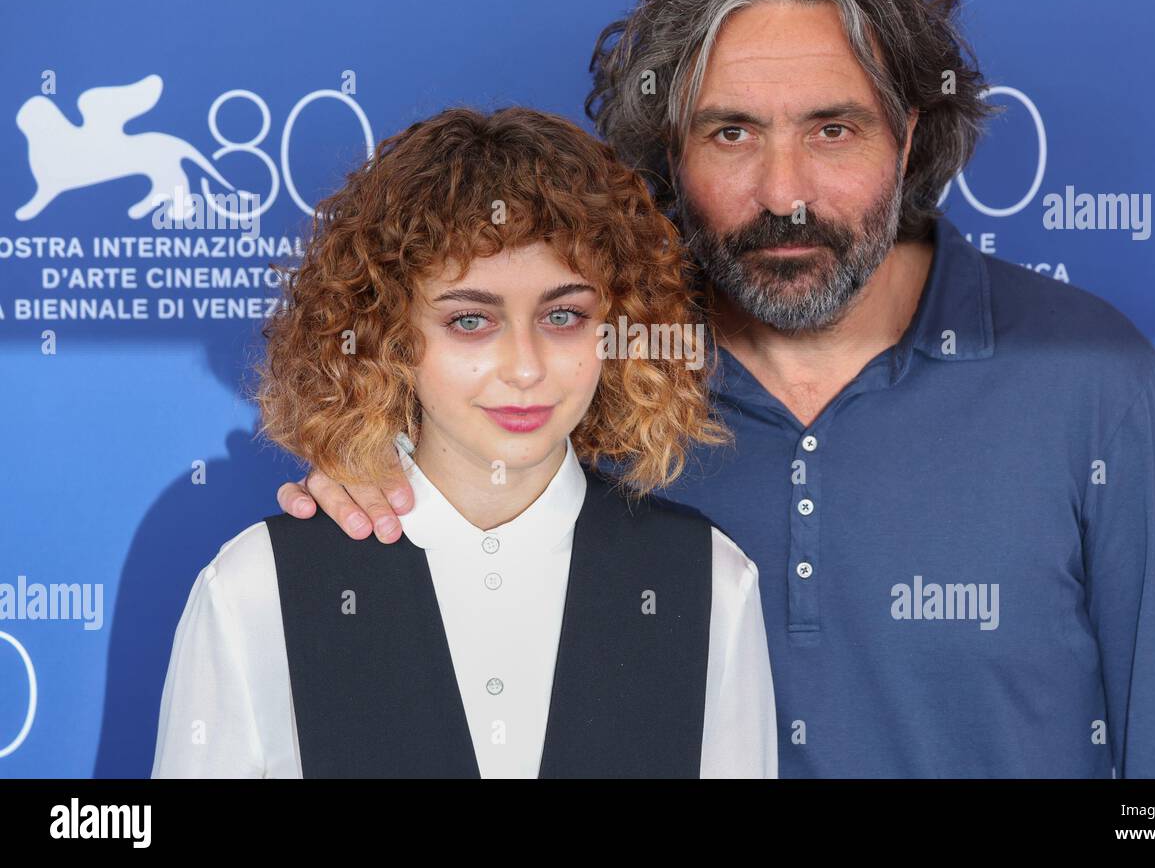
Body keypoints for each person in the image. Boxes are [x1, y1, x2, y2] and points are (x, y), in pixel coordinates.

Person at [274, 0, 1155, 777]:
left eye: (832, 130)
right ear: (671, 151)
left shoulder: (1091, 382)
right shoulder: (584, 377)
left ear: (908, 137)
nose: (783, 190)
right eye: (732, 134)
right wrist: (368, 485)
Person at [152, 106, 778, 778]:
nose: (526, 368)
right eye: (472, 320)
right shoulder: (256, 588)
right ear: (387, 332)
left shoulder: (708, 580)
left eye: (563, 316)